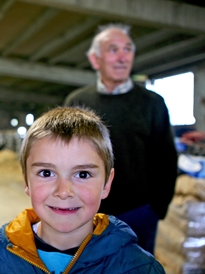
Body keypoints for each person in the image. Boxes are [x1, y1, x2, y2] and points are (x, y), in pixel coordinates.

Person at [0, 106, 172, 274]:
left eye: (83, 174)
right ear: (26, 181)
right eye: (46, 173)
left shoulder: (141, 273)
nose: (64, 192)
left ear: (106, 183)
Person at [64, 23, 178, 255]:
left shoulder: (152, 104)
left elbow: (166, 157)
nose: (122, 57)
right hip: (87, 212)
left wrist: (157, 208)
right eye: (113, 50)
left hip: (139, 213)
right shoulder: (77, 102)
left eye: (127, 49)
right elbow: (64, 157)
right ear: (95, 60)